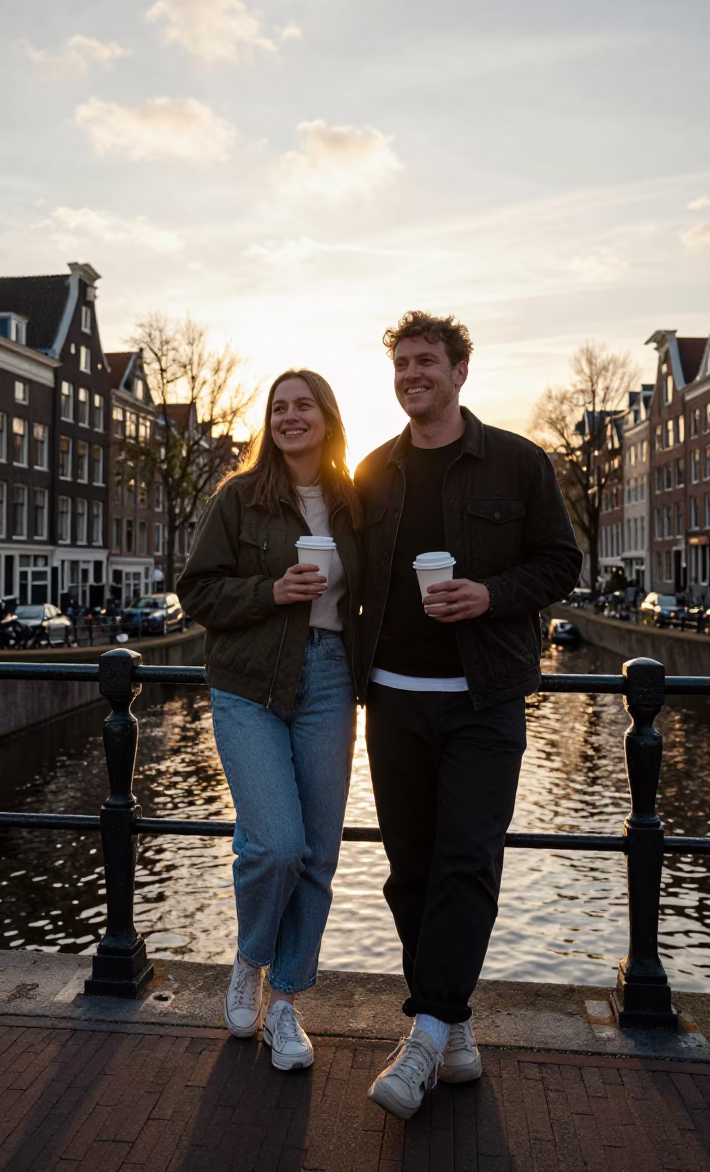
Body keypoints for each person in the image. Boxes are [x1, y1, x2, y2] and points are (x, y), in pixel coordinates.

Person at [355, 311, 582, 1120]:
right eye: (402, 363)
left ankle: (422, 1036)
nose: (413, 373)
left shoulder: (518, 462)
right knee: (409, 872)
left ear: (459, 372)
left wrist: (491, 596)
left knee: (467, 864)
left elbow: (562, 561)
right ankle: (453, 1030)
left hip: (484, 700)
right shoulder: (373, 472)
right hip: (392, 700)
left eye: (428, 361)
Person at [177, 370, 362, 1071]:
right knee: (276, 845)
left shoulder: (355, 502)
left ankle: (286, 1005)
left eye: (302, 405)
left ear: (325, 416)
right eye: (279, 408)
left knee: (317, 854)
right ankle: (250, 958)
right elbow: (196, 591)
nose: (290, 417)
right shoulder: (238, 497)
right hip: (249, 684)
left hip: (331, 679)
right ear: (270, 422)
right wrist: (273, 589)